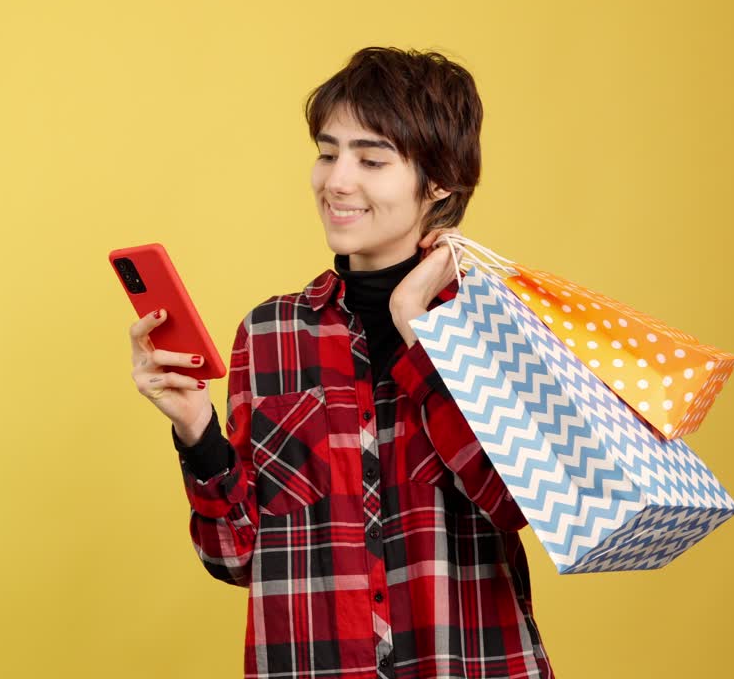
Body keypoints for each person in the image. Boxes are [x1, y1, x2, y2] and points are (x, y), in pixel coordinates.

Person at [127, 47, 554, 678]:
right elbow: (235, 559)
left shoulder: (492, 322)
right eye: (328, 153)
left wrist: (417, 327)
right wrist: (197, 432)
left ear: (439, 182)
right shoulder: (270, 334)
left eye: (371, 158)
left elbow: (511, 505)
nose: (336, 180)